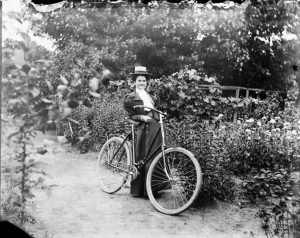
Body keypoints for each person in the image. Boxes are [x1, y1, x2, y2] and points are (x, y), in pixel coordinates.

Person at [123, 66, 162, 197]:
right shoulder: (130, 97)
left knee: (156, 155)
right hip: (142, 129)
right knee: (142, 157)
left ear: (147, 82)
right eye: (139, 80)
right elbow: (131, 116)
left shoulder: (152, 96)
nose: (142, 83)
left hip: (155, 127)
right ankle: (139, 191)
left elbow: (156, 110)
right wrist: (142, 117)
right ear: (134, 82)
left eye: (144, 81)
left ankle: (151, 190)